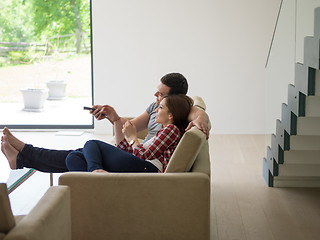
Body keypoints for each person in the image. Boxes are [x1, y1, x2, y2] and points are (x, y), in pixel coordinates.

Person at [1, 72, 210, 172]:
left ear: (175, 100)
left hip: (142, 158)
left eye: (161, 95)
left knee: (85, 148)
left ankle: (23, 155)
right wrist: (115, 117)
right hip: (131, 151)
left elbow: (198, 113)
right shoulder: (156, 108)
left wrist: (202, 118)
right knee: (74, 157)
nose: (155, 96)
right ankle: (22, 157)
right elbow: (130, 130)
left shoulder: (181, 114)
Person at [65, 95, 193, 173]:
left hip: (147, 169)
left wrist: (133, 137)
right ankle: (94, 185)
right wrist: (119, 124)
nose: (156, 110)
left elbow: (144, 155)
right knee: (74, 157)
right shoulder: (163, 131)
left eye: (160, 107)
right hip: (140, 164)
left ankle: (95, 172)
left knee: (92, 143)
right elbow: (126, 150)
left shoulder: (172, 130)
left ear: (170, 115)